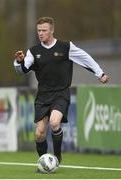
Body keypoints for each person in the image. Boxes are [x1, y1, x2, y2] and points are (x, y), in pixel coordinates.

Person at [13, 17, 109, 164]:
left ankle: (57, 157)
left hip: (61, 93)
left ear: (52, 30)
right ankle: (44, 162)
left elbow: (85, 58)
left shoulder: (66, 47)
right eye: (38, 30)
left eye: (44, 30)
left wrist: (99, 73)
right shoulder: (33, 51)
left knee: (54, 123)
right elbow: (23, 70)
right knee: (39, 134)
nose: (41, 33)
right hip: (43, 95)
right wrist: (19, 62)